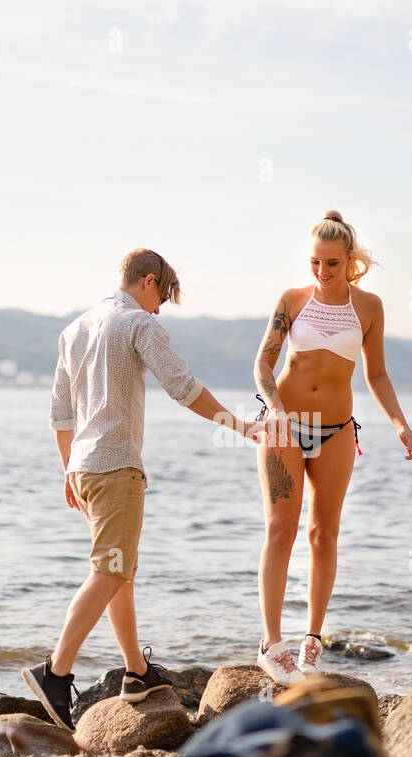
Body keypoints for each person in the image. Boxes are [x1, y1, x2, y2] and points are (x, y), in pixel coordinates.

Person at [22, 248, 263, 731]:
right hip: (116, 468)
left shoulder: (75, 329)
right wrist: (240, 426)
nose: (160, 311)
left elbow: (60, 415)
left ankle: (136, 672)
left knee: (120, 570)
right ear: (149, 282)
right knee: (110, 573)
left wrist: (68, 470)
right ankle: (55, 671)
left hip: (85, 471)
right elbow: (181, 385)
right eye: (162, 300)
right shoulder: (138, 324)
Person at [252, 211, 412, 685]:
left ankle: (312, 641)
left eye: (331, 263)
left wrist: (399, 425)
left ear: (350, 261)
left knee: (323, 534)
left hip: (337, 432)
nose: (322, 273)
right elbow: (263, 366)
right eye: (314, 263)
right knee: (280, 529)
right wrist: (276, 410)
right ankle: (271, 643)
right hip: (284, 426)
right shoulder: (291, 301)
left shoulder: (369, 307)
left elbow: (377, 375)